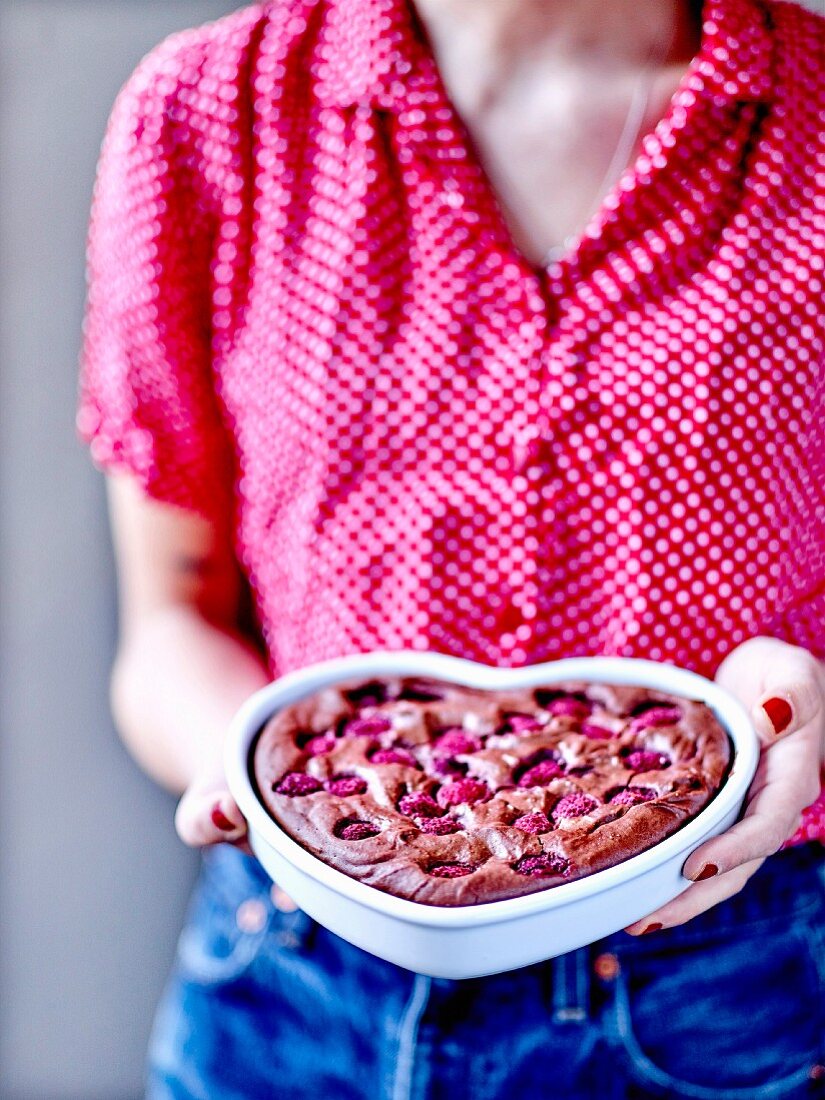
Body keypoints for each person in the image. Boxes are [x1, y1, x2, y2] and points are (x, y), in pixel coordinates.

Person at [77, 0, 825, 1095]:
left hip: (718, 992)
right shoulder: (205, 118)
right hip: (295, 987)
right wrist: (263, 787)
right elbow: (170, 620)